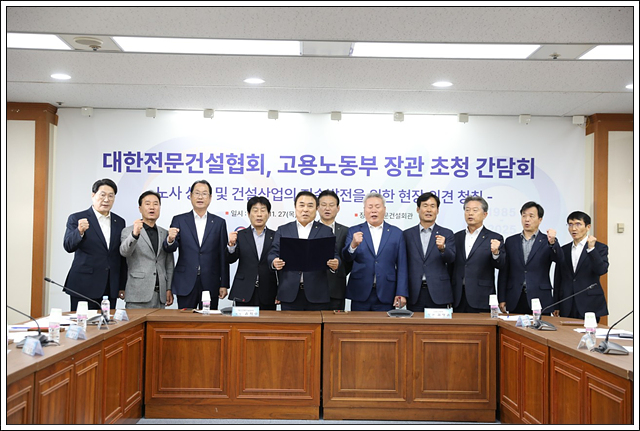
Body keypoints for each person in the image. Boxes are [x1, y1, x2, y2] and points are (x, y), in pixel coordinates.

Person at [163, 180, 229, 309]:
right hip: (185, 281)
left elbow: (223, 254)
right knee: (185, 319)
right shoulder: (179, 220)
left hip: (210, 281)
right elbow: (170, 248)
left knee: (209, 319)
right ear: (190, 196)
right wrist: (170, 239)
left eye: (204, 194)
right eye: (197, 193)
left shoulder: (219, 223)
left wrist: (224, 284)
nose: (200, 197)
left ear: (210, 198)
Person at [268, 191, 339, 311]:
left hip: (317, 294)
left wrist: (335, 263)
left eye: (310, 206)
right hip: (289, 293)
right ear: (295, 207)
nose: (305, 209)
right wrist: (274, 262)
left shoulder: (325, 231)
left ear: (316, 209)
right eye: (301, 205)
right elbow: (272, 253)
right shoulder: (283, 230)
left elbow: (335, 255)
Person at [63, 178, 127, 311]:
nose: (106, 199)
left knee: (108, 322)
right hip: (84, 285)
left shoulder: (119, 221)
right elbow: (68, 246)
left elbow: (120, 255)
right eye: (102, 195)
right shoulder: (77, 218)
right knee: (82, 322)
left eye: (111, 196)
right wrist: (79, 231)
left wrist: (121, 285)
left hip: (109, 286)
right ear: (93, 195)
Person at [343, 192, 408, 311]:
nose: (374, 210)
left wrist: (401, 293)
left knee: (384, 324)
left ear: (384, 209)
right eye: (370, 207)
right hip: (360, 291)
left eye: (377, 207)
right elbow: (347, 258)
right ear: (364, 210)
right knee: (358, 323)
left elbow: (402, 266)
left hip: (387, 292)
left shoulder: (396, 233)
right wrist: (353, 245)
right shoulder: (354, 231)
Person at [498, 201, 560, 315]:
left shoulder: (548, 241)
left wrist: (553, 243)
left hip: (540, 297)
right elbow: (504, 271)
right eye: (524, 216)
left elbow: (560, 260)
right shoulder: (511, 241)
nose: (527, 219)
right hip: (515, 297)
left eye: (531, 216)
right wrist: (501, 298)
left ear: (540, 219)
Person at [119, 191, 174, 309]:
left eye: (156, 204)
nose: (152, 207)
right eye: (147, 204)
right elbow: (124, 252)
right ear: (140, 208)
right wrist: (135, 234)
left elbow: (169, 264)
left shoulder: (164, 233)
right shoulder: (128, 231)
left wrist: (169, 288)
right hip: (137, 294)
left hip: (160, 296)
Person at [452, 196, 505, 313]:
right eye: (467, 210)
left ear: (485, 214)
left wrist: (496, 253)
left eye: (475, 210)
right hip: (458, 297)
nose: (470, 213)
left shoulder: (495, 237)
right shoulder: (456, 237)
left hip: (481, 296)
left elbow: (501, 265)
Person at [403, 192, 455, 311]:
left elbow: (451, 259)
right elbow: (402, 264)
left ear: (437, 210)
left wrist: (443, 248)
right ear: (418, 209)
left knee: (437, 324)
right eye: (425, 206)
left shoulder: (447, 233)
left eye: (432, 206)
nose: (429, 210)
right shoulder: (407, 234)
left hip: (439, 292)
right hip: (414, 292)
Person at [553, 211, 609, 320]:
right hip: (567, 302)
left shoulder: (599, 248)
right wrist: (556, 304)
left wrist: (591, 249)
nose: (573, 228)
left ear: (588, 227)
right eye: (570, 224)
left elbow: (601, 270)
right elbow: (558, 278)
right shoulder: (564, 249)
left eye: (578, 224)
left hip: (589, 302)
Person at [226, 196, 277, 309]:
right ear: (249, 214)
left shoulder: (275, 236)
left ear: (269, 214)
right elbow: (230, 259)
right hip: (244, 290)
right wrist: (231, 245)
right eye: (255, 210)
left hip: (268, 290)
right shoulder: (240, 235)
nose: (259, 214)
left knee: (267, 320)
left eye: (263, 210)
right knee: (243, 321)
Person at [318, 190, 352, 311]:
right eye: (323, 205)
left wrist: (339, 270)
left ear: (338, 208)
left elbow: (349, 260)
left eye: (331, 205)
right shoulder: (310, 229)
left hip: (336, 289)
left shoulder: (346, 231)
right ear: (317, 207)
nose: (327, 208)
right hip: (312, 290)